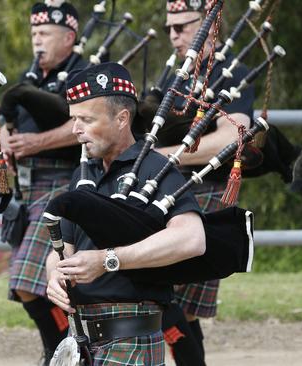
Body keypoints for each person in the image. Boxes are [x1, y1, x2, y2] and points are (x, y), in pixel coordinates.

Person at [46, 61, 205, 365]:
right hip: (80, 338)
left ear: (121, 119)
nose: (75, 129)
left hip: (130, 335)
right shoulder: (83, 175)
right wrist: (54, 276)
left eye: (86, 119)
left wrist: (108, 260)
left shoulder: (155, 169)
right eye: (73, 119)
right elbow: (61, 250)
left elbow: (191, 238)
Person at [139, 1, 255, 364]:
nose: (174, 36)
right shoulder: (174, 74)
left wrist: (166, 155)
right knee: (170, 302)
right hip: (164, 191)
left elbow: (230, 139)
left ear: (209, 26)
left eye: (182, 27)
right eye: (169, 28)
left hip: (203, 192)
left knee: (166, 299)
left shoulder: (231, 73)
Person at [0, 1, 85, 363]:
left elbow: (84, 122)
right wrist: (4, 131)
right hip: (29, 187)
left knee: (27, 281)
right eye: (34, 33)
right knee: (30, 287)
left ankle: (61, 348)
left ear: (69, 37)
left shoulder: (84, 74)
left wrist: (35, 143)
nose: (38, 41)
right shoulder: (32, 76)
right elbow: (11, 117)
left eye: (45, 33)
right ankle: (65, 347)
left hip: (62, 182)